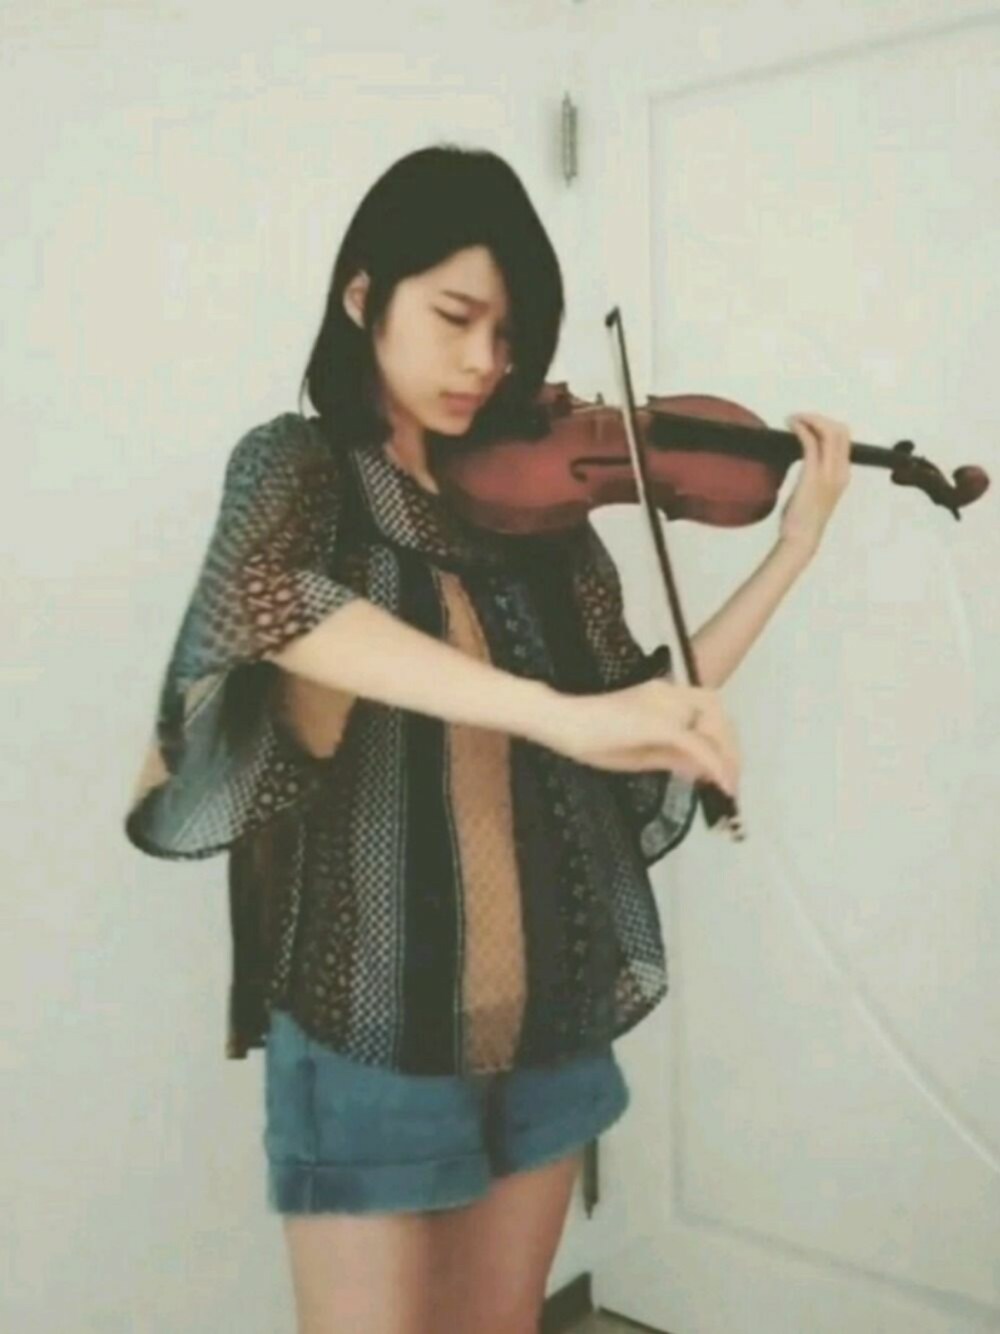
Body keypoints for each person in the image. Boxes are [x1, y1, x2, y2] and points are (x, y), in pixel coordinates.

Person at [123, 144, 851, 1334]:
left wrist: (793, 550)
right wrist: (557, 711)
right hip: (371, 1021)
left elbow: (642, 706)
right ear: (363, 295)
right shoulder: (299, 471)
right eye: (455, 316)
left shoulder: (539, 514)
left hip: (552, 1011)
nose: (483, 363)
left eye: (508, 335)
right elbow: (269, 601)